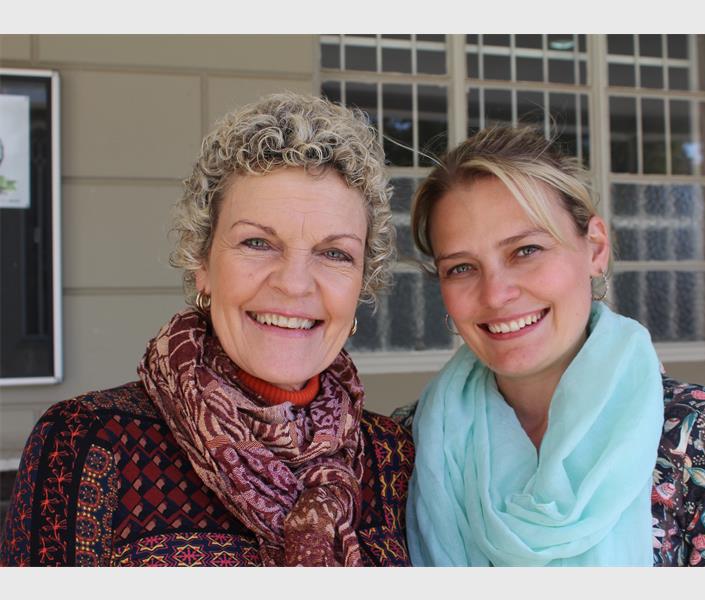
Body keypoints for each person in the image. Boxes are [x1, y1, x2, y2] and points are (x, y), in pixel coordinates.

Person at [0, 93, 414, 567]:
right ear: (202, 264)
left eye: (335, 253)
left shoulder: (392, 458)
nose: (295, 284)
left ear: (361, 282)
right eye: (257, 242)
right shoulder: (86, 442)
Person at [401, 125, 705, 566]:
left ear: (595, 248)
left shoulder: (702, 435)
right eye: (461, 268)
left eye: (526, 250)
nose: (495, 294)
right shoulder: (407, 446)